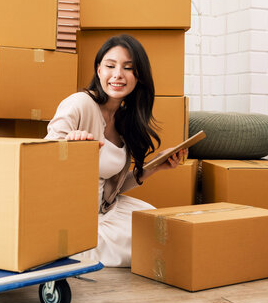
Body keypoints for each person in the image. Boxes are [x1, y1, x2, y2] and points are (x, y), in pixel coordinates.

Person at [45, 34, 186, 267]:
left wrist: (155, 166)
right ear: (99, 70)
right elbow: (42, 156)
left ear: (138, 77)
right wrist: (70, 147)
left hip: (106, 209)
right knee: (147, 246)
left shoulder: (124, 120)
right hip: (71, 215)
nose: (118, 74)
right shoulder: (80, 103)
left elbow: (112, 183)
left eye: (128, 68)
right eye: (110, 66)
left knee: (160, 229)